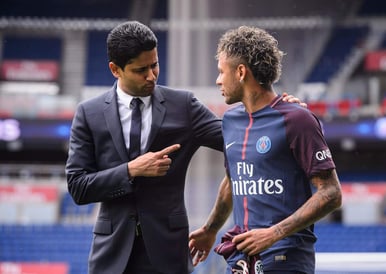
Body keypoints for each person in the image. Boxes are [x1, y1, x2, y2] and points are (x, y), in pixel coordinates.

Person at [65, 21, 305, 274]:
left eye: (155, 65)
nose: (151, 75)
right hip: (111, 257)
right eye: (140, 70)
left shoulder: (183, 106)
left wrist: (280, 114)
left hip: (168, 255)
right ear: (116, 69)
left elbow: (242, 140)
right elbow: (79, 187)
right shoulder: (88, 113)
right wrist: (130, 170)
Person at [188, 26, 342, 274]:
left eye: (220, 72)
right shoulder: (230, 121)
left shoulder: (297, 119)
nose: (217, 80)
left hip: (286, 258)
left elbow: (332, 193)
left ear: (240, 72)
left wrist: (274, 233)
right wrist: (210, 229)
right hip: (242, 259)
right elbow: (232, 181)